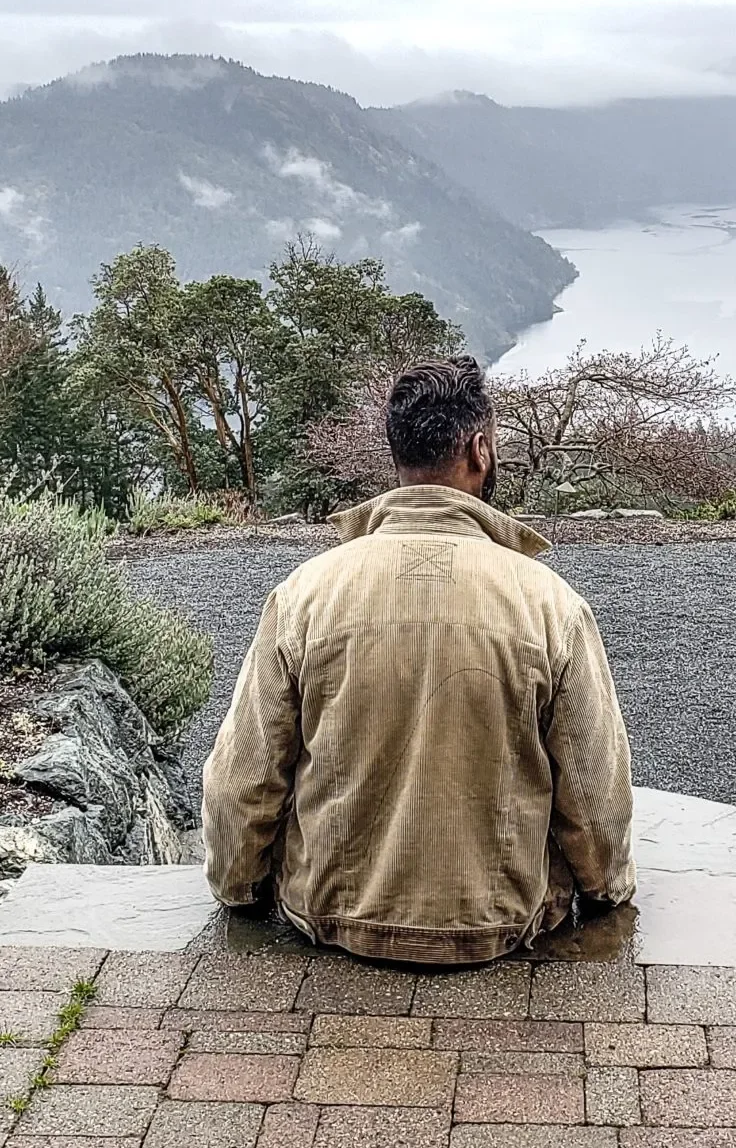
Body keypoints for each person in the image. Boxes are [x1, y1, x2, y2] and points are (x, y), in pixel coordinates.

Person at [201, 356, 636, 964]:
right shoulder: (549, 603)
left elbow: (244, 780)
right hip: (502, 921)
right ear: (480, 449)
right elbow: (594, 795)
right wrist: (606, 889)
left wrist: (239, 890)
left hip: (331, 914)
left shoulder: (304, 594)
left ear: (397, 453)